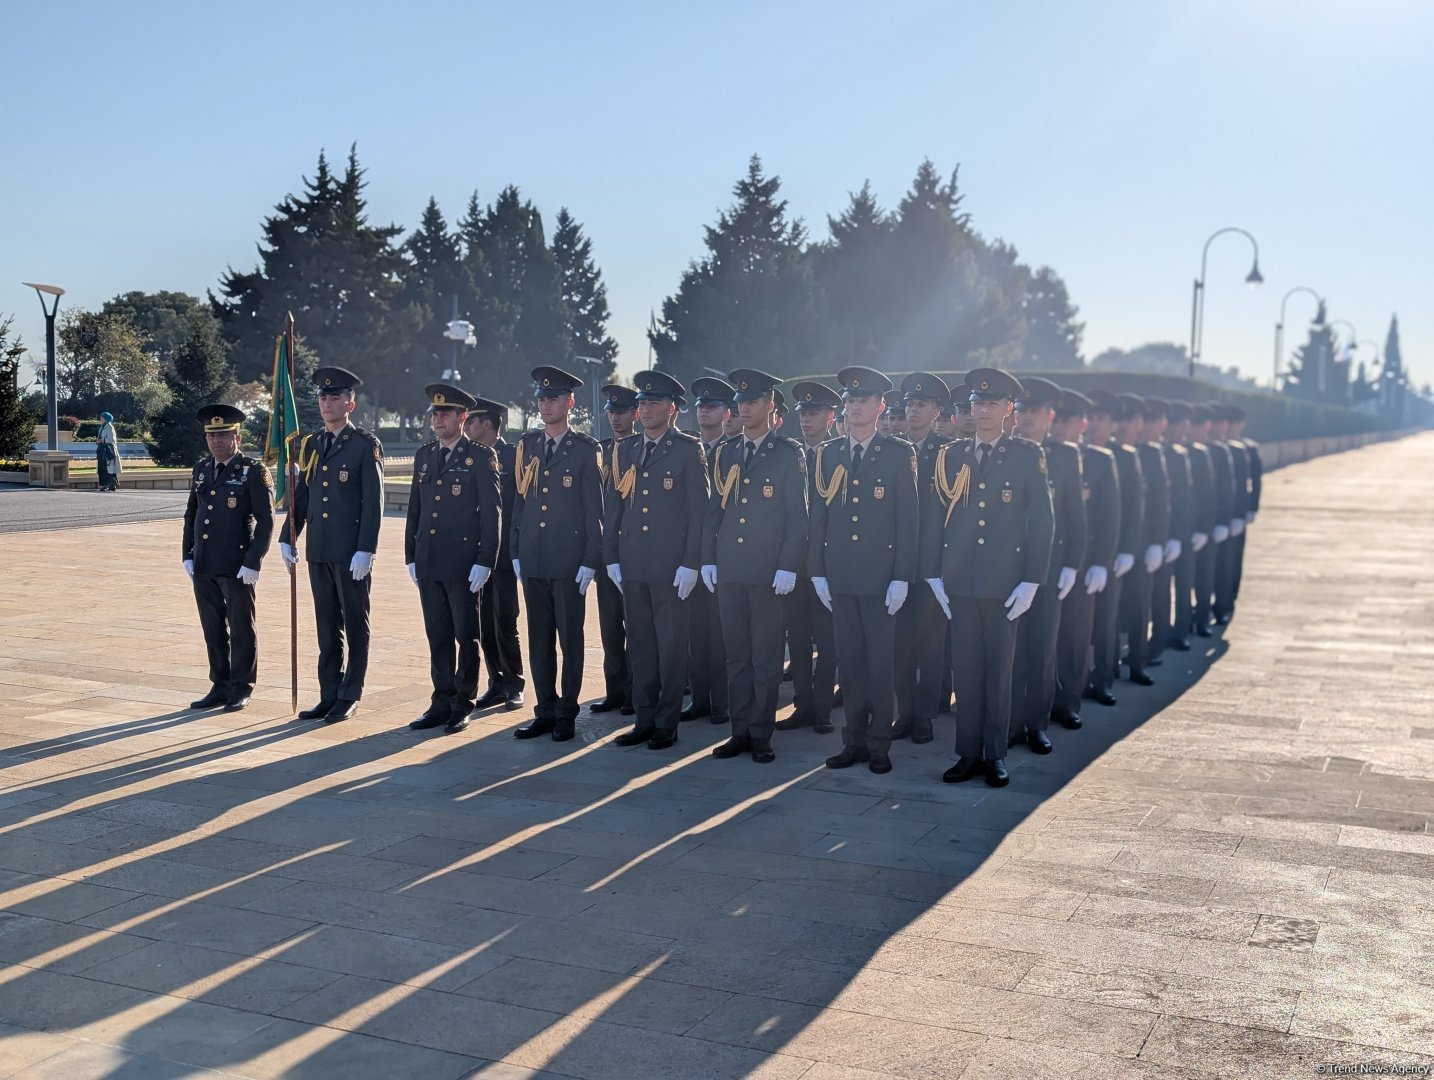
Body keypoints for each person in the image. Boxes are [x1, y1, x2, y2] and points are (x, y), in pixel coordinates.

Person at [923, 369, 1053, 788]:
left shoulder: (1026, 454)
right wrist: (933, 574)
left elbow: (1042, 523)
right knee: (966, 670)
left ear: (1008, 410)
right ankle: (967, 752)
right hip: (959, 582)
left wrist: (1032, 581)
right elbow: (933, 520)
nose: (982, 411)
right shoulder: (951, 455)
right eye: (977, 404)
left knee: (999, 671)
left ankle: (994, 753)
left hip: (1003, 584)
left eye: (992, 404)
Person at [809, 366, 918, 775]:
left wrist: (902, 575)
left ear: (880, 406)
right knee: (848, 663)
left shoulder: (897, 453)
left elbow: (909, 520)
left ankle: (878, 744)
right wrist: (816, 570)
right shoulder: (829, 453)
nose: (854, 407)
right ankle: (851, 740)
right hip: (840, 576)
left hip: (881, 578)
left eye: (863, 401)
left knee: (879, 665)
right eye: (850, 401)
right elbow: (817, 516)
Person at [703, 369, 808, 763]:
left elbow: (799, 519)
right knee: (737, 657)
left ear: (770, 407)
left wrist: (788, 566)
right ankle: (740, 731)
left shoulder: (787, 454)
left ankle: (761, 733)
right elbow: (715, 513)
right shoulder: (727, 452)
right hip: (731, 569)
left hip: (768, 573)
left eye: (752, 401)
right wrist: (708, 559)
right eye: (741, 402)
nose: (744, 408)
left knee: (765, 658)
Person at [605, 371, 709, 750]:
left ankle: (666, 723)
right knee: (642, 646)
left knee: (670, 647)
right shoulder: (626, 450)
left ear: (672, 409)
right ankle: (643, 719)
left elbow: (700, 513)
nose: (645, 409)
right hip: (633, 564)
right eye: (642, 403)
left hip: (671, 568)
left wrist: (691, 562)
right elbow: (614, 507)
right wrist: (611, 555)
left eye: (652, 403)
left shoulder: (687, 449)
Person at [278, 367, 383, 723]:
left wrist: (366, 549)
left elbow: (373, 502)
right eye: (323, 398)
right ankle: (329, 693)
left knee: (355, 624)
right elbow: (302, 496)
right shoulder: (312, 444)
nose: (327, 403)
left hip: (351, 552)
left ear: (349, 404)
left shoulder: (364, 445)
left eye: (335, 397)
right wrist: (287, 536)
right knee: (326, 625)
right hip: (319, 551)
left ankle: (350, 694)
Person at [510, 366, 604, 742]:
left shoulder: (585, 449)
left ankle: (567, 711)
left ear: (570, 403)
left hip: (568, 562)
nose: (546, 405)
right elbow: (520, 500)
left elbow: (594, 511)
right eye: (541, 399)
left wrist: (589, 559)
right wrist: (516, 547)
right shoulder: (529, 445)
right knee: (539, 640)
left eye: (553, 399)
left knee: (570, 639)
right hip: (534, 558)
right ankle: (544, 709)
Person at [404, 385, 501, 734]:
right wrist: (410, 555)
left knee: (466, 635)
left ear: (462, 417)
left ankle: (463, 702)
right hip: (429, 561)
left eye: (445, 413)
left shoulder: (479, 456)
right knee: (438, 635)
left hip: (463, 562)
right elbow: (415, 509)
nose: (438, 418)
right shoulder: (425, 455)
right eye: (434, 413)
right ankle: (440, 701)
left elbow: (492, 514)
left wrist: (485, 559)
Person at [1009, 377, 1085, 755]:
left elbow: (1075, 514)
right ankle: (1007, 723)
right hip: (1005, 567)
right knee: (1007, 652)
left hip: (1049, 567)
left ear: (1050, 416)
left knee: (1041, 649)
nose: (1025, 417)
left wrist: (1072, 563)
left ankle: (1036, 724)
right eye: (1021, 409)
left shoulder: (1065, 455)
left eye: (1034, 411)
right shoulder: (1002, 450)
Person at [182, 404, 274, 711]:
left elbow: (266, 520)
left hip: (236, 564)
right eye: (211, 435)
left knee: (240, 626)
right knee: (212, 626)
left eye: (222, 434)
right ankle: (219, 683)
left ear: (237, 436)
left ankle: (241, 685)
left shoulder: (252, 471)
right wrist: (187, 553)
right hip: (205, 562)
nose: (216, 441)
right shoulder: (201, 469)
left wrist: (254, 561)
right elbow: (192, 513)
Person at [1051, 390, 1118, 731]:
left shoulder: (1099, 459)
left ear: (1082, 423)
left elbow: (1109, 516)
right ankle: (1042, 699)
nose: (1061, 425)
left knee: (1076, 636)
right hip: (1047, 563)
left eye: (1068, 420)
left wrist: (1100, 563)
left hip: (1084, 561)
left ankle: (1068, 703)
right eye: (1057, 418)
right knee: (1045, 638)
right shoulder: (1043, 454)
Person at [892, 372, 951, 745]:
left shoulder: (948, 452)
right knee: (900, 644)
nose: (913, 411)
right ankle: (906, 711)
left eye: (921, 405)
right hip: (895, 563)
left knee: (930, 646)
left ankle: (926, 715)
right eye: (909, 404)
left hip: (932, 565)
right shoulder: (891, 448)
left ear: (936, 411)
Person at [780, 380, 841, 735]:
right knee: (798, 639)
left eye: (814, 413)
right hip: (794, 564)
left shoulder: (839, 455)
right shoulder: (791, 454)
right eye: (802, 413)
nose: (806, 419)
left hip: (829, 565)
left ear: (830, 417)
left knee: (829, 641)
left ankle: (822, 709)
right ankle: (803, 705)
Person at [465, 398, 525, 711]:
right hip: (475, 555)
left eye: (471, 422)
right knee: (482, 623)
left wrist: (516, 549)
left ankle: (514, 683)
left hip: (502, 556)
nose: (467, 427)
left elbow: (519, 508)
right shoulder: (470, 455)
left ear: (487, 423)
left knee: (504, 620)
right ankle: (496, 682)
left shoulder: (513, 456)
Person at [683, 376, 735, 727]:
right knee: (694, 632)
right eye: (701, 406)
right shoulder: (687, 448)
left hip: (722, 557)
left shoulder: (734, 451)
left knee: (722, 636)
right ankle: (700, 698)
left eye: (712, 406)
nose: (705, 412)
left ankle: (723, 701)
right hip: (688, 557)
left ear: (726, 413)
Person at [591, 384, 638, 715]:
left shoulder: (641, 449)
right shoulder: (601, 451)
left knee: (636, 628)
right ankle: (615, 690)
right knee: (610, 626)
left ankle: (637, 691)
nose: (615, 418)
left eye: (621, 412)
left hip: (635, 550)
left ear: (635, 414)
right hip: (605, 552)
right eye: (611, 412)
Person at [1117, 394, 1168, 686]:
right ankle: (1108, 663)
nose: (1125, 425)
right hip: (1113, 541)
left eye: (1132, 419)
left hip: (1141, 541)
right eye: (1121, 419)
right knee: (1110, 611)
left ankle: (1138, 661)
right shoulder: (1110, 451)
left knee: (1138, 606)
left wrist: (1157, 542)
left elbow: (1160, 501)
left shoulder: (1150, 454)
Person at [96, 411, 122, 492]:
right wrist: (98, 441)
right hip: (102, 450)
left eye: (102, 417)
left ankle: (111, 484)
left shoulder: (109, 427)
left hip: (108, 451)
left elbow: (111, 440)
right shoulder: (102, 427)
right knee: (103, 468)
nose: (100, 419)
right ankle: (105, 484)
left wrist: (101, 440)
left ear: (106, 419)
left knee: (109, 468)